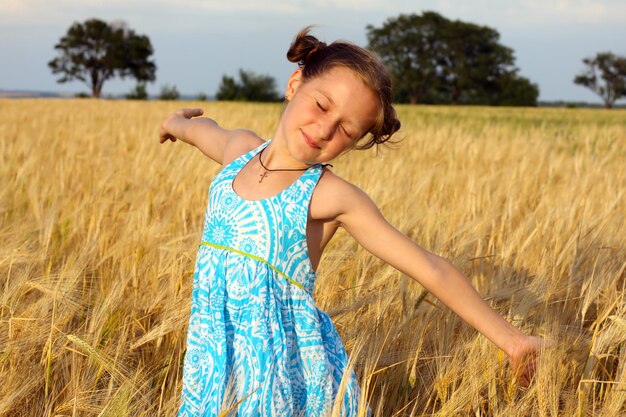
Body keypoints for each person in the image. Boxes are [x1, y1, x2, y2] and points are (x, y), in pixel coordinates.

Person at [159, 26, 543, 417]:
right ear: (295, 83)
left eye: (346, 129)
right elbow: (201, 130)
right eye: (322, 105)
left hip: (280, 377)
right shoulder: (238, 150)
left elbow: (430, 268)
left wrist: (514, 342)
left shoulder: (329, 196)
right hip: (212, 361)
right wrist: (174, 123)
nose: (324, 129)